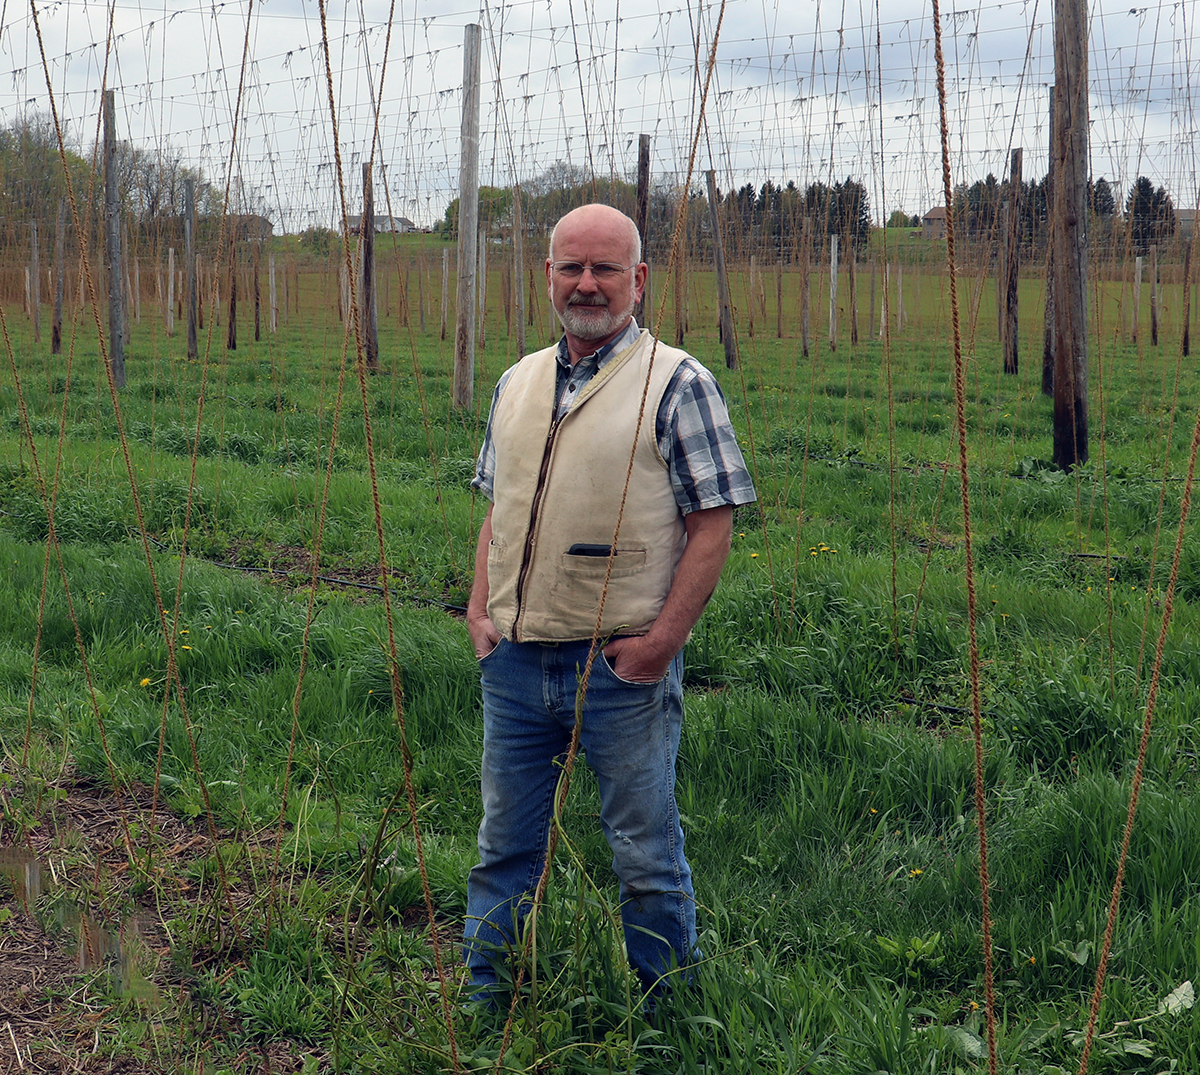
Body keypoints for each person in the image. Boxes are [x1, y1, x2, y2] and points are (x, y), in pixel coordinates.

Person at [463, 203, 756, 1001]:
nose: (586, 284)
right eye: (571, 267)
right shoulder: (516, 381)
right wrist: (479, 612)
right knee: (503, 846)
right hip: (516, 661)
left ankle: (667, 1017)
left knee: (644, 851)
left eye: (604, 269)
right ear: (547, 275)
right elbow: (499, 506)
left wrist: (659, 644)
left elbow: (714, 523)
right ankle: (488, 998)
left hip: (618, 669)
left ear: (640, 280)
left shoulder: (680, 381)